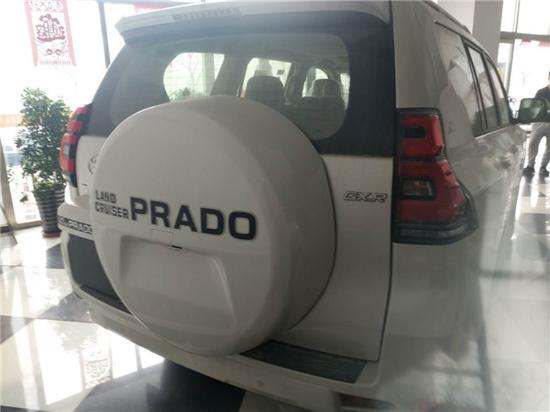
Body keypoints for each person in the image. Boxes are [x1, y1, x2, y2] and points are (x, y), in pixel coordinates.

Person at [524, 71, 550, 177]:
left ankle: (543, 166)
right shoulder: (541, 92)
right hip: (539, 122)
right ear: (548, 78)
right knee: (533, 143)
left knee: (549, 147)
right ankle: (530, 166)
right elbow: (534, 107)